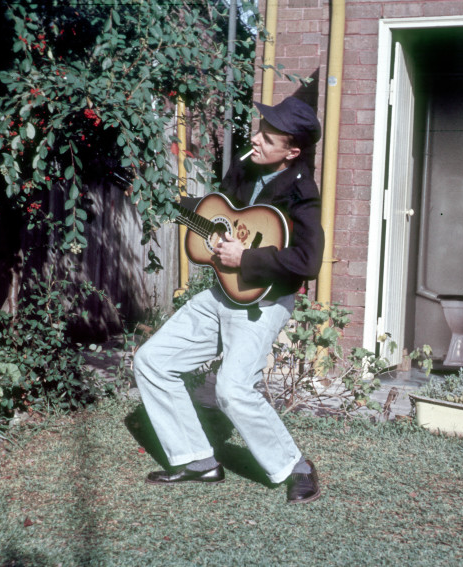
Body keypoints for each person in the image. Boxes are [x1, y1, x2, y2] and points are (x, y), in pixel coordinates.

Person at [133, 96, 325, 504]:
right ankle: (197, 460)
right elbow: (218, 214)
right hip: (221, 294)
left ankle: (297, 467)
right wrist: (179, 209)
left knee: (233, 389)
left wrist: (247, 257)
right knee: (152, 361)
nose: (255, 139)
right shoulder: (245, 167)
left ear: (291, 152)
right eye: (258, 130)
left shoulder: (302, 192)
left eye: (267, 138)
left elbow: (308, 261)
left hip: (262, 304)